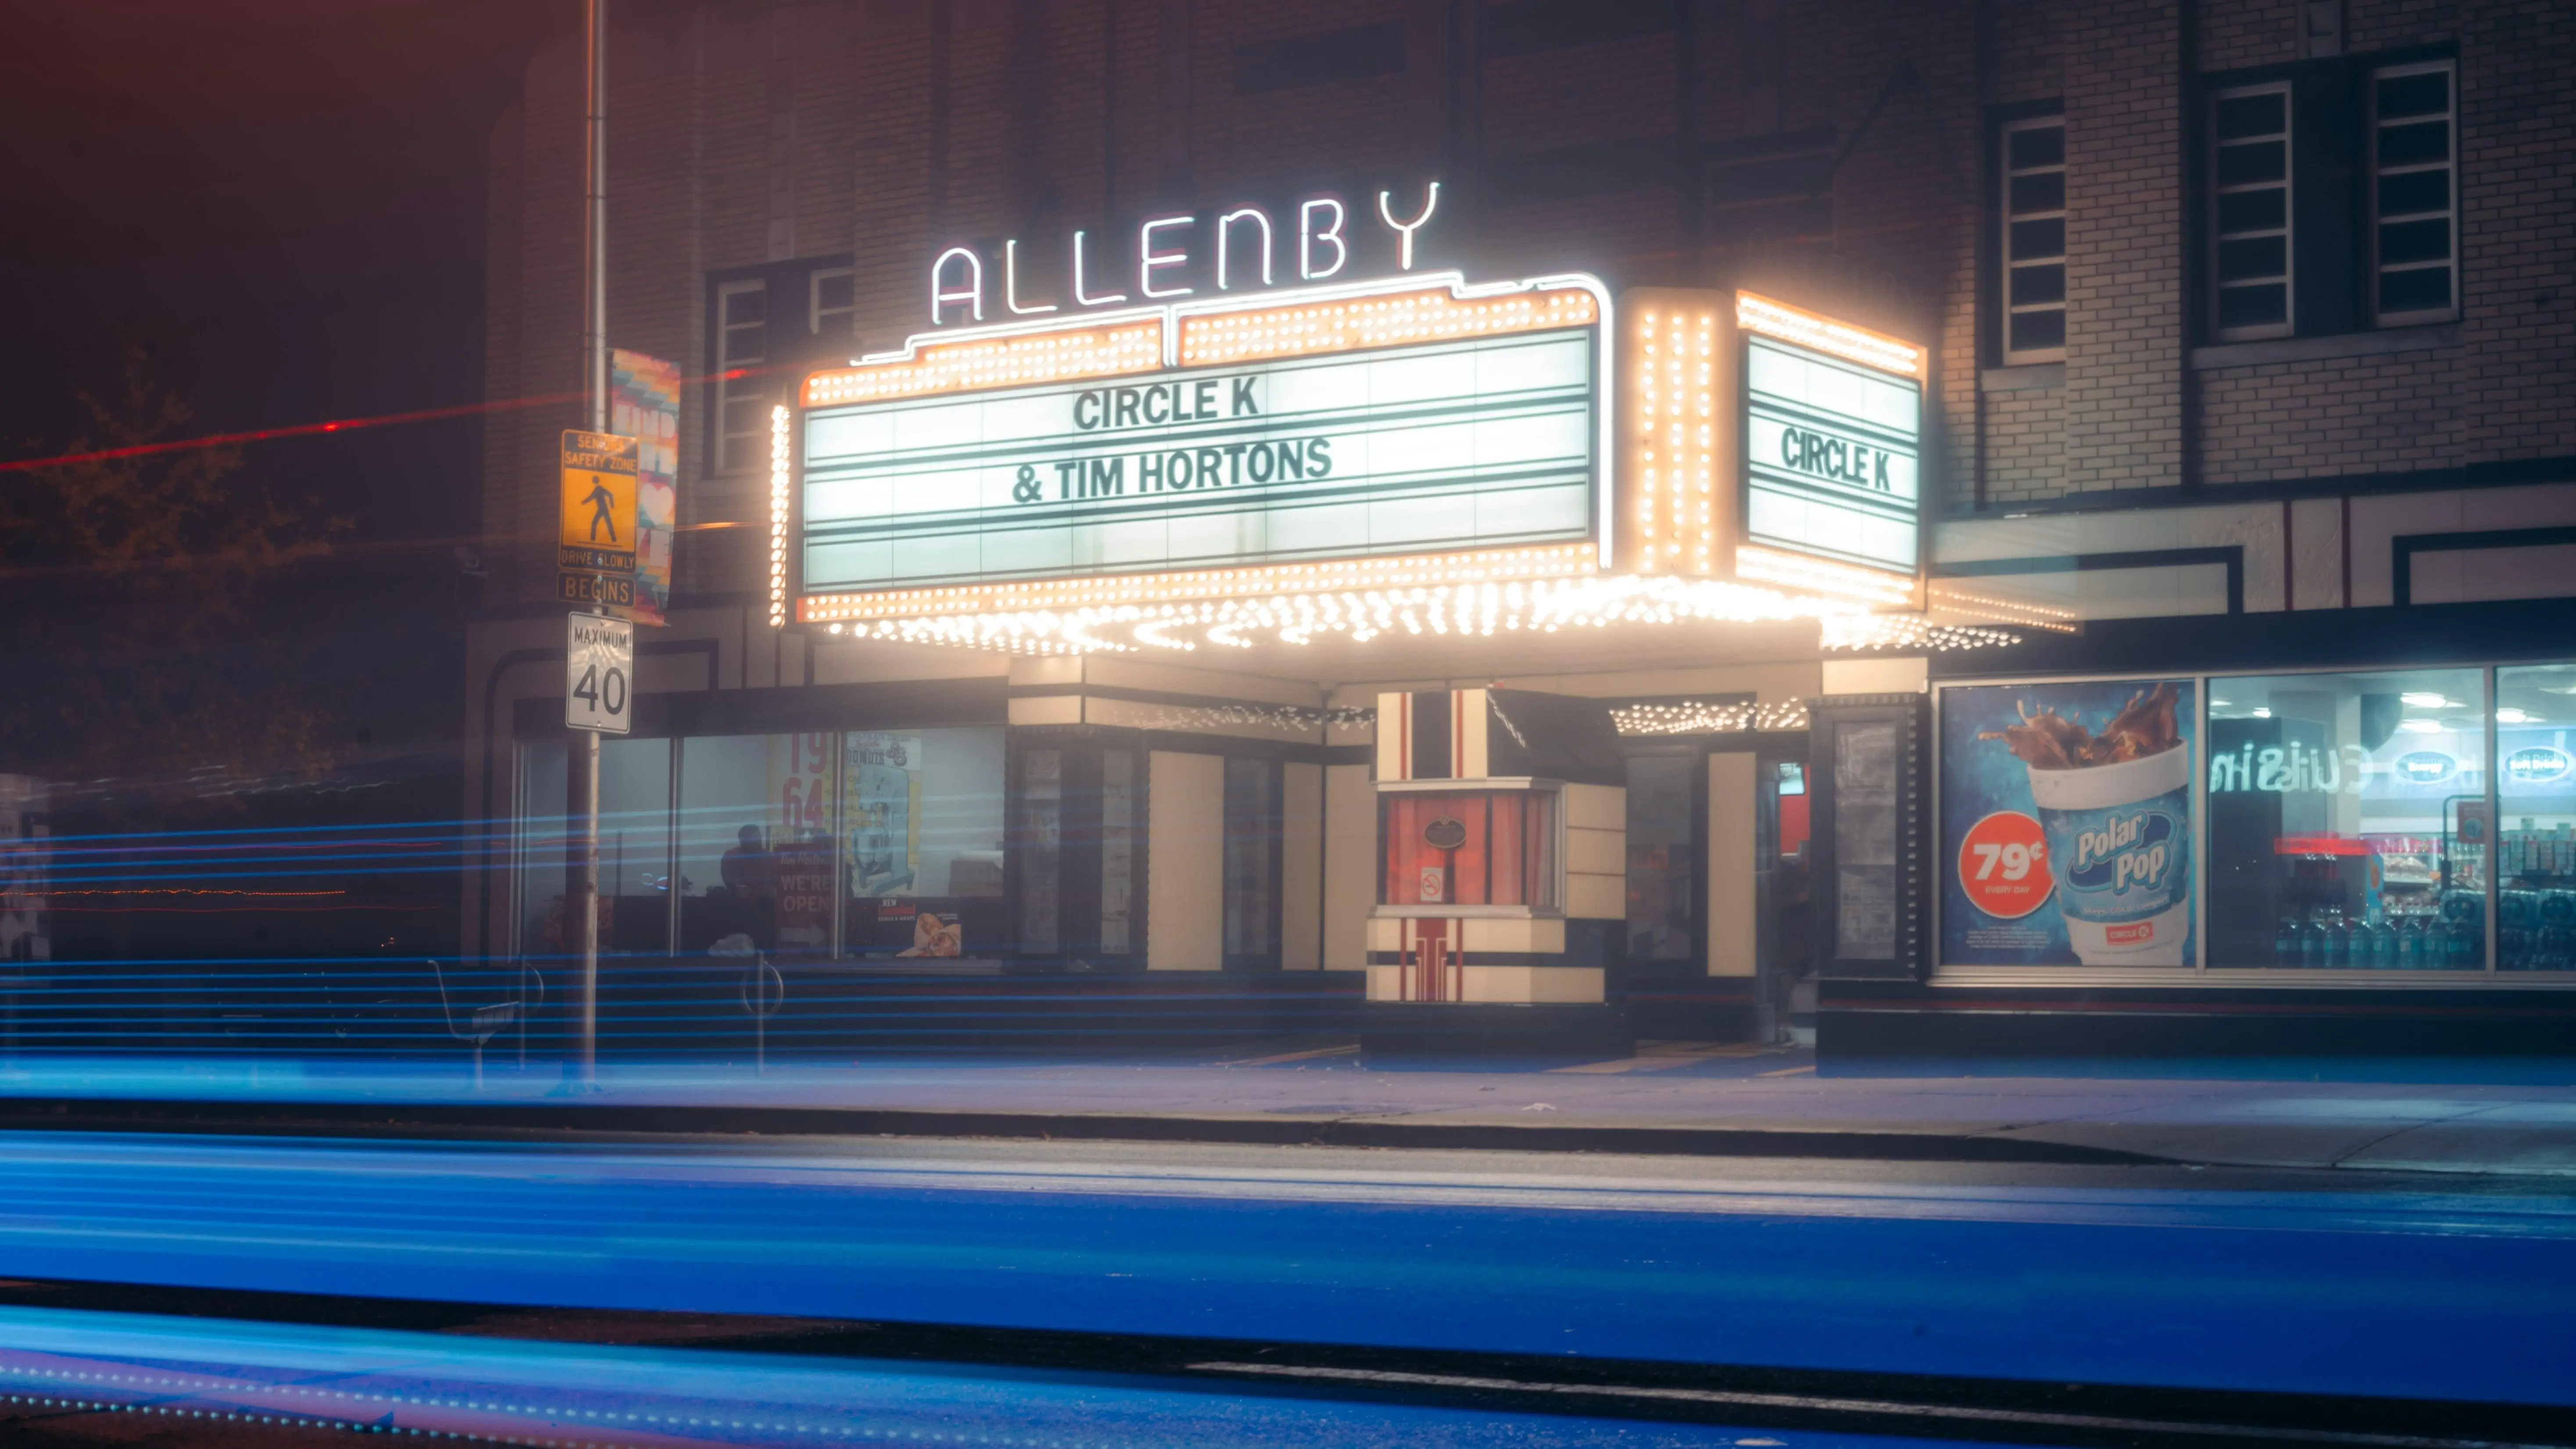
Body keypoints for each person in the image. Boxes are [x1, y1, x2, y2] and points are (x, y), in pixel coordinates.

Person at [719, 825, 779, 948]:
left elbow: (779, 891)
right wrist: (765, 892)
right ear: (742, 841)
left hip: (769, 915)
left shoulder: (770, 858)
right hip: (741, 916)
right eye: (752, 839)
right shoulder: (733, 856)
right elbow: (739, 892)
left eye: (758, 838)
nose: (758, 842)